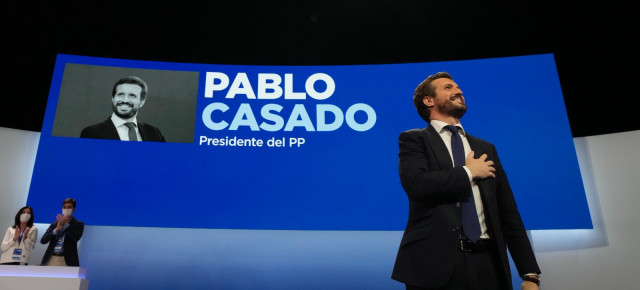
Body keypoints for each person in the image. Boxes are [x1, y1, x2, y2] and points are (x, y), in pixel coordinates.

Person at [391, 72, 541, 290]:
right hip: (434, 265)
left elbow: (507, 212)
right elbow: (417, 184)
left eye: (459, 88)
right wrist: (469, 172)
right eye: (449, 88)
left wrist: (530, 273)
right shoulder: (414, 139)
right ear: (429, 100)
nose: (459, 91)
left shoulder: (485, 148)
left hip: (488, 264)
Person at [80, 75, 166, 142]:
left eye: (132, 96)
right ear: (113, 98)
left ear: (142, 102)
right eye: (121, 94)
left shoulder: (154, 133)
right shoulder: (92, 133)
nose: (125, 100)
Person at [40, 198, 85, 266]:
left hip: (67, 260)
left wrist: (65, 225)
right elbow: (43, 240)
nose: (66, 209)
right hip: (51, 258)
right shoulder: (54, 224)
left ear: (74, 209)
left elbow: (75, 238)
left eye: (69, 207)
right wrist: (57, 230)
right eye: (64, 207)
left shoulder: (79, 224)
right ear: (62, 209)